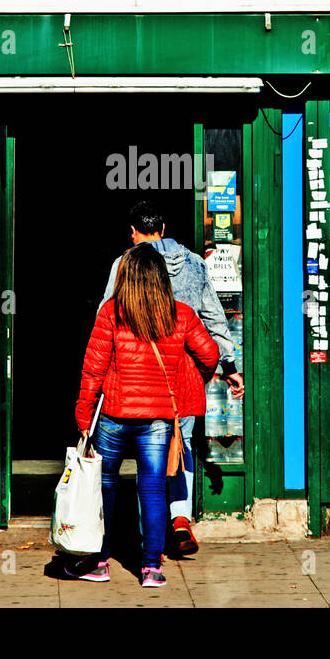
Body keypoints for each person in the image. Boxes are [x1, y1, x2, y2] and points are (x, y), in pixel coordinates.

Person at [99, 200, 245, 556]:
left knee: (148, 457)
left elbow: (106, 318)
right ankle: (180, 517)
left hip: (137, 375)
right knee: (181, 447)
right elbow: (213, 318)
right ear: (163, 229)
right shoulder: (195, 264)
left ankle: (153, 543)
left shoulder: (125, 264)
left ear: (135, 233)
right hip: (182, 375)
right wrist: (229, 366)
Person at [69, 245, 219, 587]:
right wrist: (190, 377)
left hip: (113, 416)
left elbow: (92, 369)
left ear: (127, 278)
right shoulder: (180, 315)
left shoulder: (111, 313)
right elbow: (209, 354)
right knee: (152, 490)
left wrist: (83, 412)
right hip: (158, 420)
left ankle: (99, 562)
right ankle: (151, 568)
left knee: (103, 487)